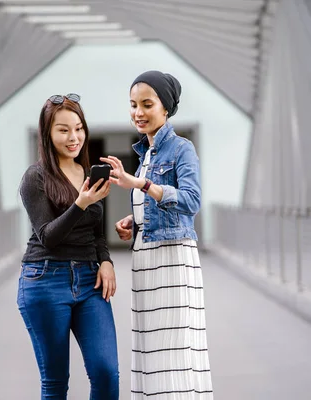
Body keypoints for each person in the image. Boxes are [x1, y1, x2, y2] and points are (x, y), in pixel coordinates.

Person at [101, 71, 214, 399]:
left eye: (147, 104)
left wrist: (140, 185)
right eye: (133, 105)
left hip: (173, 260)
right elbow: (156, 205)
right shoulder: (146, 155)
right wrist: (133, 222)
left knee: (175, 349)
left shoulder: (182, 149)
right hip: (147, 260)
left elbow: (191, 201)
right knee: (152, 350)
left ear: (166, 108)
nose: (138, 112)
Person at [17, 93, 119, 399]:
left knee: (106, 373)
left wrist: (106, 261)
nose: (73, 137)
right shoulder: (35, 177)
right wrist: (80, 203)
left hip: (90, 281)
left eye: (78, 128)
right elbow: (48, 235)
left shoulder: (88, 174)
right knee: (56, 381)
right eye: (63, 130)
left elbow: (96, 233)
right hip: (45, 280)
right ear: (47, 133)